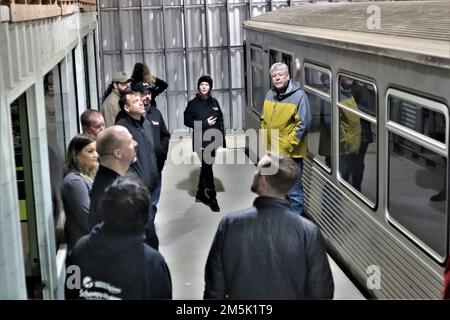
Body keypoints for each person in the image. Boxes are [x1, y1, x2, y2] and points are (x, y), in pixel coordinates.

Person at [204, 153, 334, 299]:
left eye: (257, 171)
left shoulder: (230, 224)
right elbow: (321, 291)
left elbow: (214, 288)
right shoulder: (308, 232)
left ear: (263, 180)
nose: (254, 174)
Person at [65, 176, 172, 300]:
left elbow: (70, 294)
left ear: (103, 209)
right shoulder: (152, 264)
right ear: (144, 218)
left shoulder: (79, 251)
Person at [261, 62, 311, 216]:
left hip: (290, 155)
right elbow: (264, 118)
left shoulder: (299, 96)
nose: (277, 78)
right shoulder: (270, 94)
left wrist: (287, 147)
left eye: (280, 75)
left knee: (294, 192)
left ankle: (295, 225)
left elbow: (304, 123)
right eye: (274, 76)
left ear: (288, 76)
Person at [115, 92, 160, 249]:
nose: (141, 102)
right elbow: (121, 161)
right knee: (144, 231)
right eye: (135, 101)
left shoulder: (146, 123)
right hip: (137, 188)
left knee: (150, 225)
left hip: (152, 184)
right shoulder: (122, 129)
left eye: (140, 100)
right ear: (127, 108)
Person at [184, 75, 226, 212]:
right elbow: (187, 121)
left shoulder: (214, 102)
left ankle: (200, 194)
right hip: (200, 140)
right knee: (207, 167)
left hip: (213, 140)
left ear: (210, 87)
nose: (204, 87)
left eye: (206, 85)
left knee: (206, 166)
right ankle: (212, 197)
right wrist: (204, 123)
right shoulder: (192, 104)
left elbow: (220, 120)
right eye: (201, 84)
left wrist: (222, 139)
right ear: (198, 86)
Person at [89, 125, 137, 228]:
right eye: (130, 142)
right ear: (118, 153)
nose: (135, 144)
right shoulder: (112, 195)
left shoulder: (116, 181)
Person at [133, 81, 171, 211]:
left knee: (153, 205)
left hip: (156, 169)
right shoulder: (127, 117)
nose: (147, 96)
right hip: (139, 171)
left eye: (148, 93)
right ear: (135, 95)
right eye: (143, 94)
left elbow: (165, 135)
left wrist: (162, 152)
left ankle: (149, 229)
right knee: (140, 207)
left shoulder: (156, 113)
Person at [61, 134, 98, 251]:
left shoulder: (86, 177)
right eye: (90, 151)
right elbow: (89, 219)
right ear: (76, 155)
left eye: (96, 151)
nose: (96, 155)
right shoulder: (74, 182)